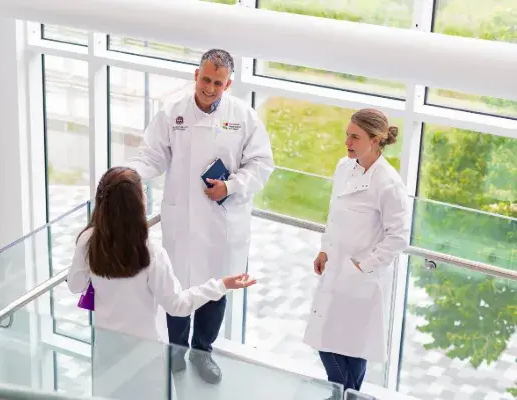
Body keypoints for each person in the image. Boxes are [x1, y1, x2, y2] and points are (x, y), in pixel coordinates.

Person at [126, 48, 274, 383]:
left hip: (222, 222)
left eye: (217, 83)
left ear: (229, 84)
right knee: (175, 288)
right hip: (182, 220)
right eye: (205, 79)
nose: (209, 87)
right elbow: (152, 156)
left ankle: (202, 352)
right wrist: (128, 173)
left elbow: (262, 164)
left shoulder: (244, 116)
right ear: (196, 75)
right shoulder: (172, 113)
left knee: (215, 289)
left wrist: (231, 186)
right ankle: (176, 350)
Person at [68, 166, 257, 399]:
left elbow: (75, 285)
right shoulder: (150, 252)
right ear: (136, 205)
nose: (146, 196)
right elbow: (177, 305)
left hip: (107, 347)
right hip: (145, 352)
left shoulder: (88, 240)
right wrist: (221, 285)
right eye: (143, 192)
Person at [303, 108, 410, 394]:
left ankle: (344, 395)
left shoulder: (388, 183)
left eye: (354, 137)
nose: (347, 142)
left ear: (375, 140)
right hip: (336, 270)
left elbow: (398, 237)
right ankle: (349, 396)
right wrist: (324, 250)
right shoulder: (343, 167)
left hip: (361, 278)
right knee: (330, 342)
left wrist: (364, 266)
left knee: (351, 347)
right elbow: (334, 214)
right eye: (347, 135)